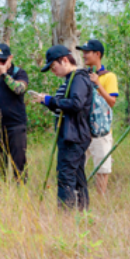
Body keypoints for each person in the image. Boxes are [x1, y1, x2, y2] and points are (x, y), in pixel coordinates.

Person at [33, 46, 94, 210]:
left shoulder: (78, 79)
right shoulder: (70, 80)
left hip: (74, 136)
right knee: (77, 176)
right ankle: (83, 213)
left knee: (66, 176)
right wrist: (46, 101)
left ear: (65, 60)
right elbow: (63, 108)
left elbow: (76, 104)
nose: (53, 71)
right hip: (71, 135)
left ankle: (65, 217)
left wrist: (50, 100)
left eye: (54, 67)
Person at [77, 39, 119, 196]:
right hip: (82, 129)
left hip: (100, 130)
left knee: (102, 167)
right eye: (83, 52)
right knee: (77, 165)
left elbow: (112, 102)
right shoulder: (82, 75)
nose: (84, 55)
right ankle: (78, 197)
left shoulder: (109, 77)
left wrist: (97, 84)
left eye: (87, 52)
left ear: (97, 54)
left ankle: (101, 200)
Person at [0, 43, 30, 184]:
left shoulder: (18, 73)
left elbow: (19, 89)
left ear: (10, 58)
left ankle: (21, 191)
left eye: (2, 61)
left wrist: (4, 74)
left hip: (15, 125)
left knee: (19, 162)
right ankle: (2, 192)